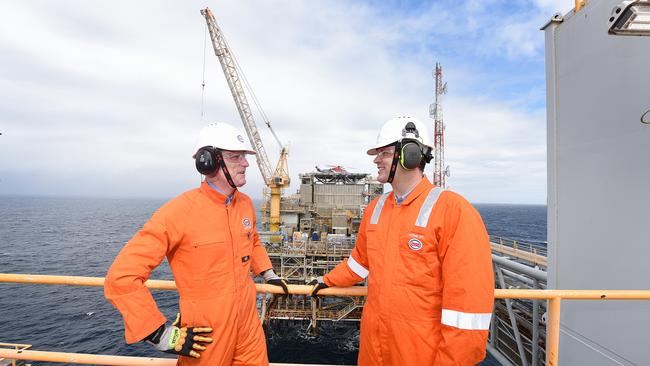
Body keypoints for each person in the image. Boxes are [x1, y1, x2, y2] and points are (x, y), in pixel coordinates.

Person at [310, 116, 494, 365]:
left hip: (420, 354)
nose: (376, 160)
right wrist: (326, 280)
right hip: (374, 351)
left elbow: (468, 312)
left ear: (410, 155)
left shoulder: (454, 211)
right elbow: (359, 263)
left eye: (383, 153)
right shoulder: (376, 209)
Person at [104, 122, 288, 365]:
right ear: (208, 161)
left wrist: (268, 273)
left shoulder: (244, 204)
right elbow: (121, 278)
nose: (246, 163)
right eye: (236, 157)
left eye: (244, 157)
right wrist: (160, 334)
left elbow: (251, 240)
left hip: (248, 323)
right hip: (206, 333)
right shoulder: (178, 213)